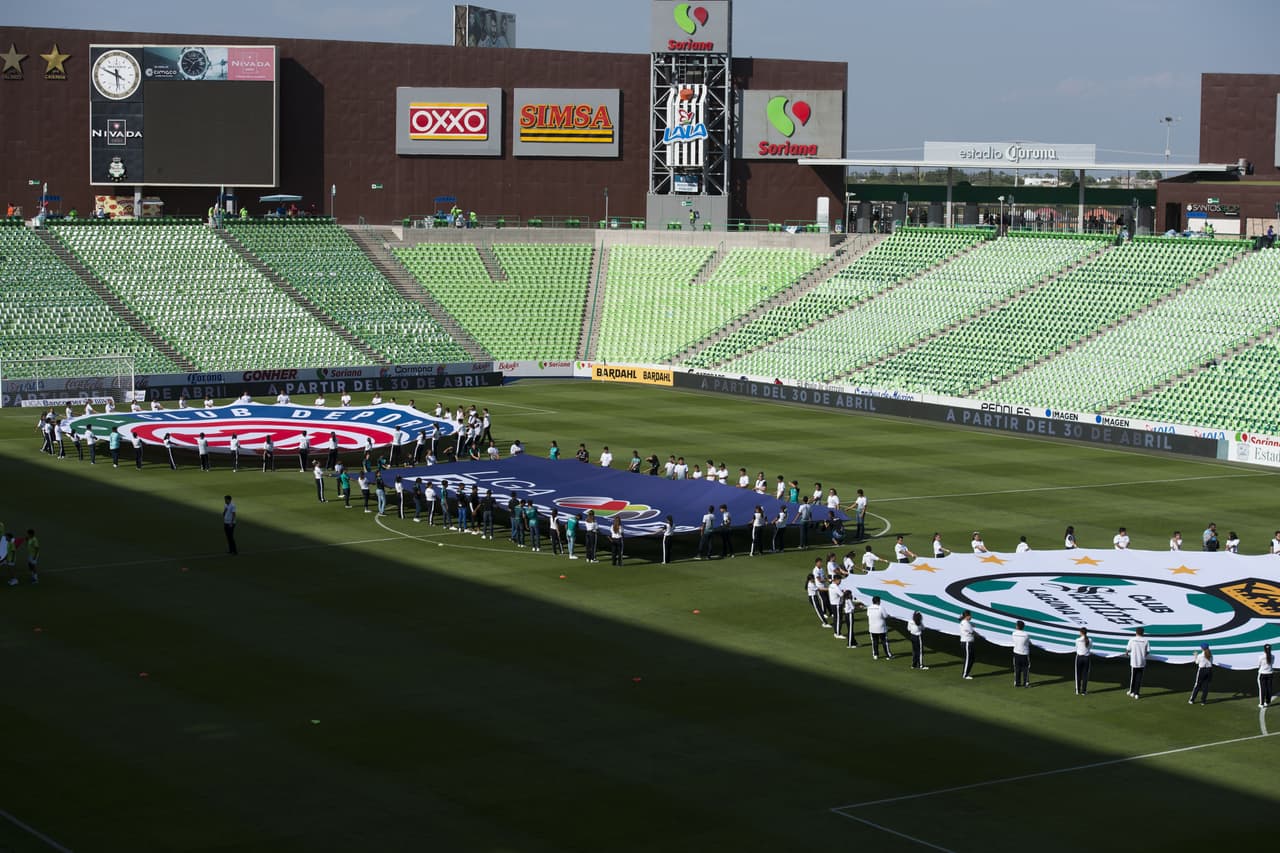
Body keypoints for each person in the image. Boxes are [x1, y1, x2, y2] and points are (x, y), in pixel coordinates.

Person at [1126, 626, 1150, 698]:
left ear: (1136, 632)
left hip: (1134, 661)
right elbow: (1148, 651)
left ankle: (1131, 691)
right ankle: (1136, 693)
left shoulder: (1132, 639)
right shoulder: (1146, 640)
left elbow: (1128, 649)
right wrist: (1143, 655)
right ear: (1143, 633)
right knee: (1139, 678)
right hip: (1142, 662)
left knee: (1133, 677)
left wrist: (1127, 653)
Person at [1011, 620, 1031, 687]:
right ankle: (1026, 683)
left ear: (1017, 626)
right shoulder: (1026, 635)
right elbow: (1029, 642)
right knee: (1025, 669)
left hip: (1016, 652)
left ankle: (1017, 683)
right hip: (1024, 653)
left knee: (1017, 668)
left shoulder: (1014, 633)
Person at [1074, 627, 1092, 695]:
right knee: (1085, 675)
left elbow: (1076, 647)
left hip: (1079, 657)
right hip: (1086, 658)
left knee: (1078, 674)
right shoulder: (1090, 640)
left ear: (1081, 632)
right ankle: (1084, 691)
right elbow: (1090, 647)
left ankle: (1077, 690)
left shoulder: (1077, 640)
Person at [959, 610, 975, 679]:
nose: (971, 616)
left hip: (967, 642)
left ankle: (966, 673)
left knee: (971, 658)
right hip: (967, 642)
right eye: (970, 615)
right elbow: (972, 631)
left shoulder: (965, 622)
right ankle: (965, 674)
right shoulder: (966, 623)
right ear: (967, 616)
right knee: (968, 658)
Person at [1259, 644, 1274, 708]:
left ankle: (1261, 703)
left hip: (1263, 673)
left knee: (1262, 689)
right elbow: (1272, 663)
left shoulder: (1261, 657)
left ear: (1264, 650)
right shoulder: (1273, 656)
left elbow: (1259, 664)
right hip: (1270, 673)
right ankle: (1268, 702)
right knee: (1269, 688)